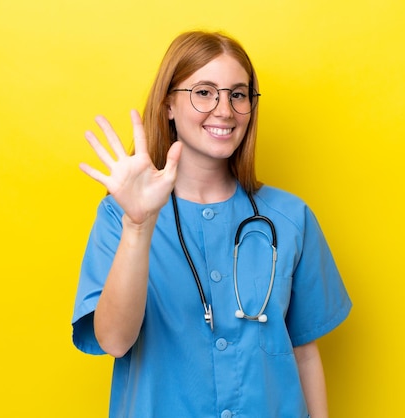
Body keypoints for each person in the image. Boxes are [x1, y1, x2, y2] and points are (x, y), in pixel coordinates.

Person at [72, 30, 352, 418]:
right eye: (204, 92)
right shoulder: (120, 217)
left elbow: (304, 353)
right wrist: (138, 226)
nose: (224, 110)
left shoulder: (290, 218)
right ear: (168, 104)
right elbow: (116, 342)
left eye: (238, 94)